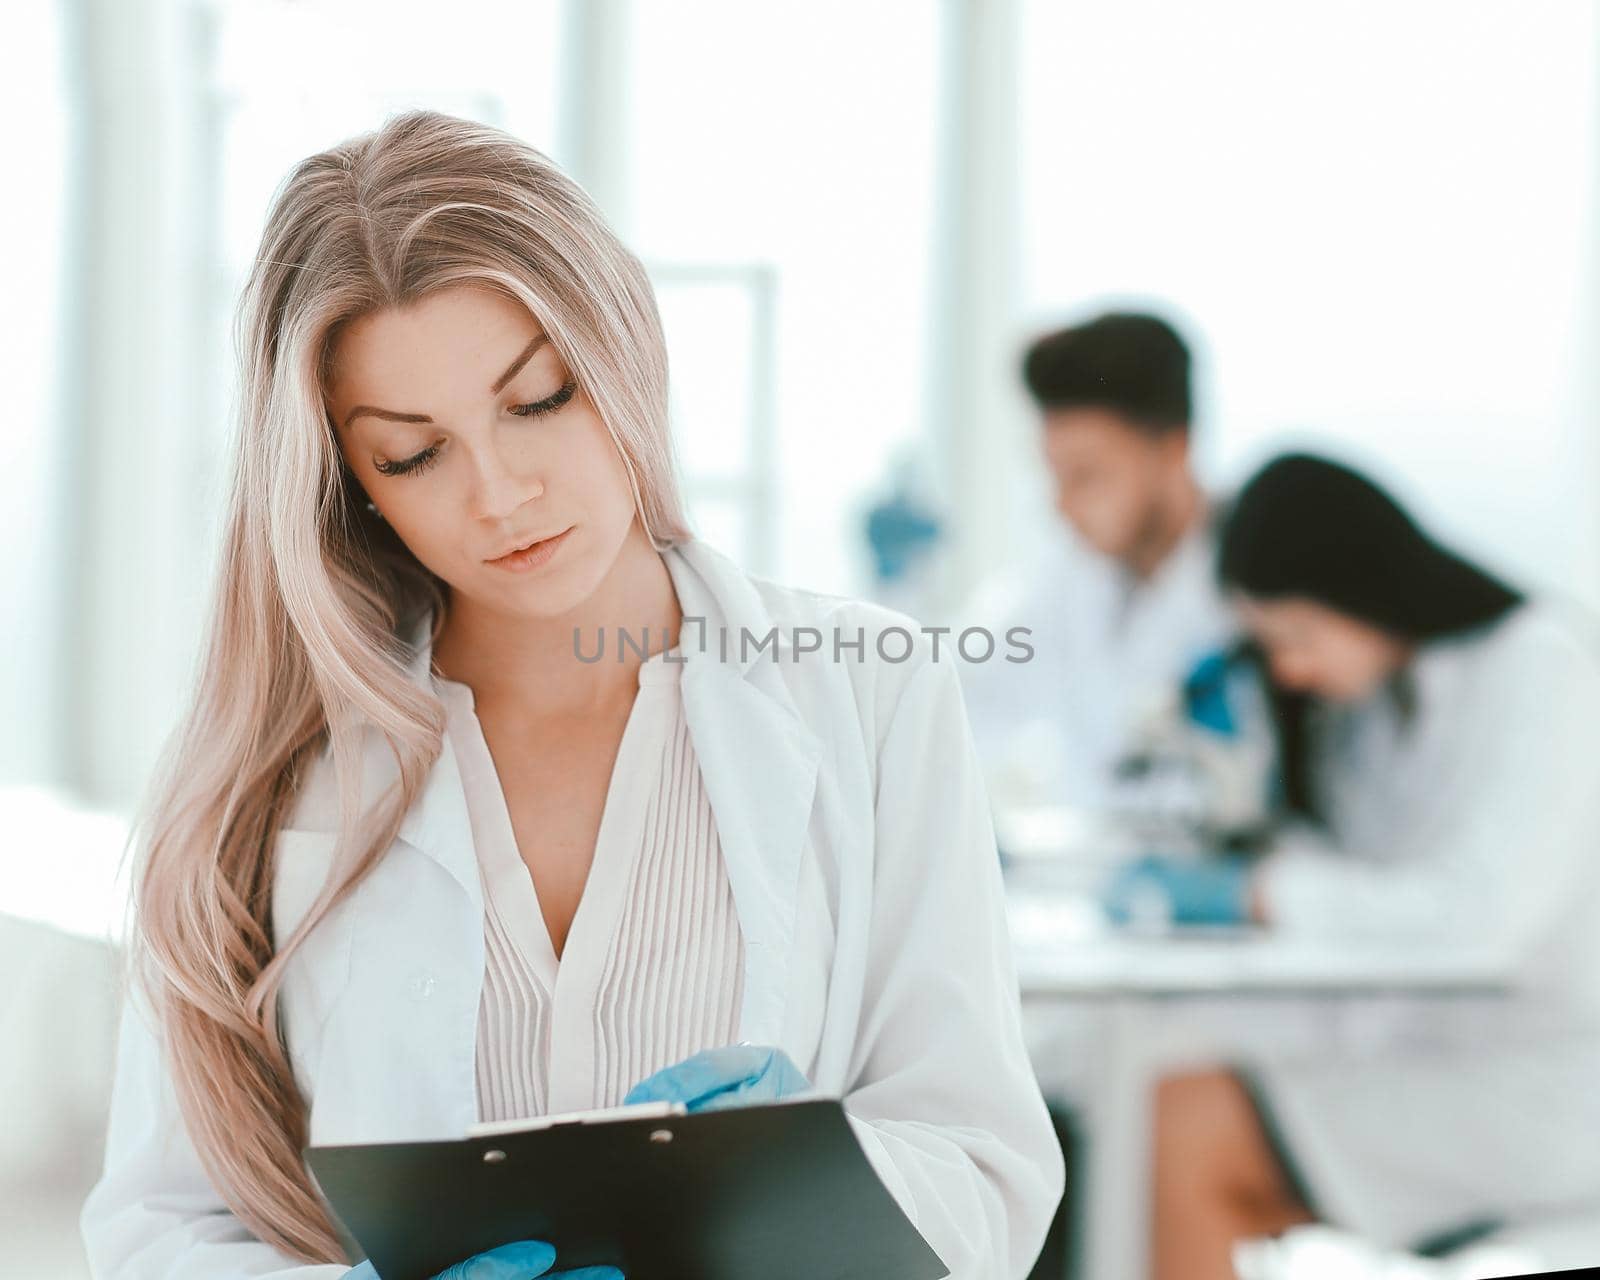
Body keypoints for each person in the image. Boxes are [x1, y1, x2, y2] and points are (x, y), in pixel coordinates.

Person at [78, 109, 1064, 1280]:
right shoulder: (268, 767)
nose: (499, 492)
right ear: (351, 484)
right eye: (412, 451)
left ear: (623, 352)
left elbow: (985, 1158)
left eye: (538, 399)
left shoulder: (864, 692)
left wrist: (816, 1187)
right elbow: (155, 1229)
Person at [1135, 453, 1600, 1280]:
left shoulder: (1546, 668)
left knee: (1186, 1130)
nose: (1289, 670)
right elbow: (1353, 871)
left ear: (1361, 588)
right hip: (1438, 1053)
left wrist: (1265, 893)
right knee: (1148, 1082)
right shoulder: (1375, 705)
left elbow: (1480, 921)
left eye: (1297, 637)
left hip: (1552, 1083)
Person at [957, 311, 1237, 817]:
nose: (1061, 506)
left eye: (1086, 477)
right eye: (1054, 475)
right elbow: (957, 697)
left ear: (1174, 449)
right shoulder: (1066, 581)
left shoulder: (1259, 589)